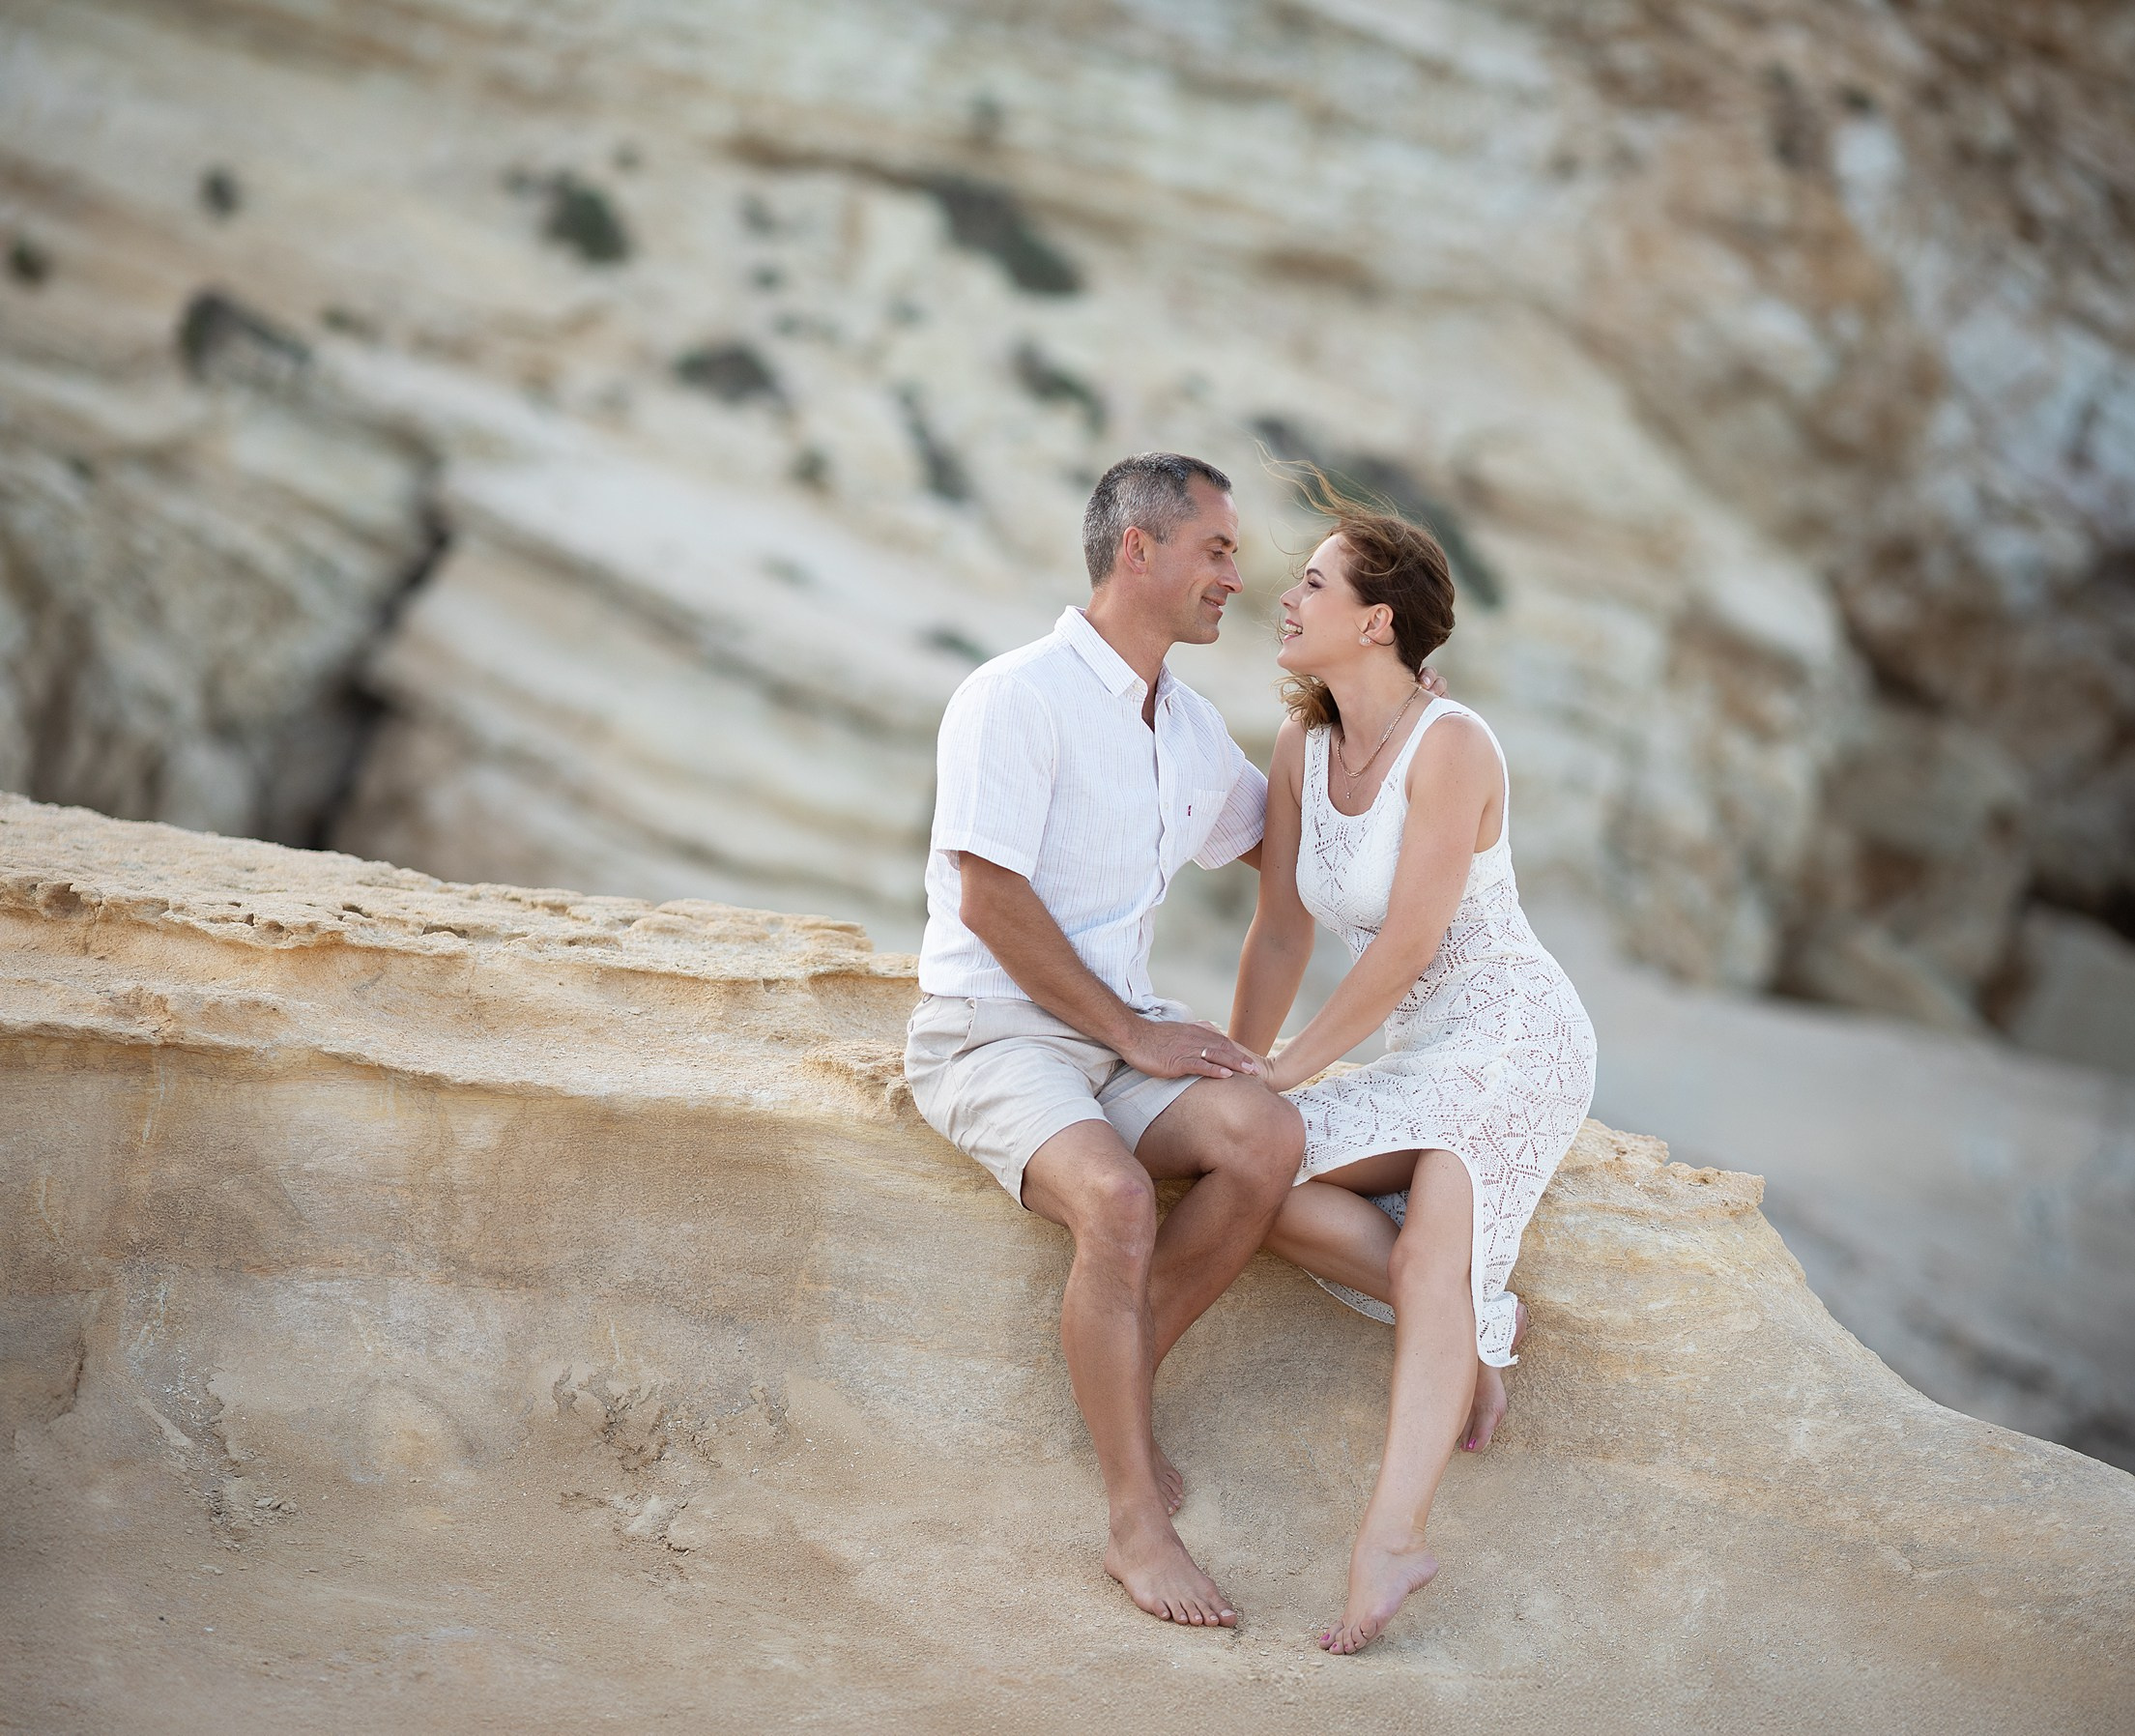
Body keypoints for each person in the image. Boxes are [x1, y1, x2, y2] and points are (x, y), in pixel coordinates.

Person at [905, 453, 1416, 1629]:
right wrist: (1135, 1028)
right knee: (1118, 1200)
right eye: (1218, 549)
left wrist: (1414, 763)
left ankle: (1117, 1385)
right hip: (991, 1030)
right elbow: (988, 897)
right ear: (1139, 550)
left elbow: (1287, 864)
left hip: (1113, 1035)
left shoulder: (1184, 728)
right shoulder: (1013, 695)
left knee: (1261, 1131)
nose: (1239, 576)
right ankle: (1135, 1521)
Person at [1229, 485, 1597, 1655]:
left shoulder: (1456, 744)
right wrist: (1246, 1076)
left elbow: (1408, 946)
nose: (1284, 598)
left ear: (1378, 619)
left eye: (1314, 583)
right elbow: (1281, 928)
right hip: (1413, 1047)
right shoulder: (1302, 742)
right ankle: (1473, 1326)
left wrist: (1292, 1067)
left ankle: (1390, 1536)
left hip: (1512, 1031)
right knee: (1263, 1183)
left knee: (1439, 1229)